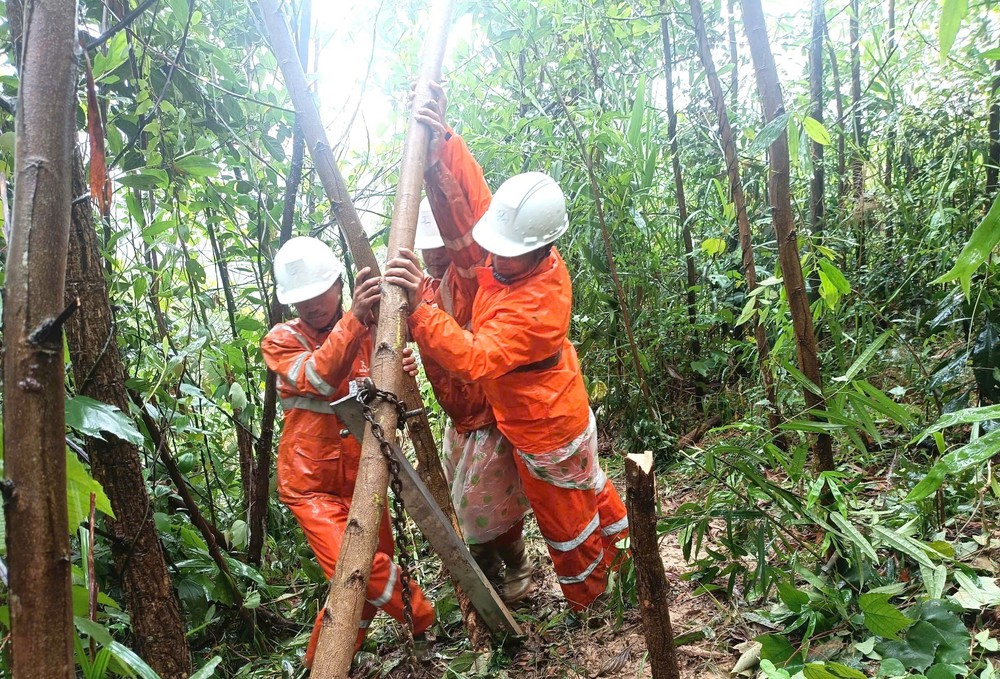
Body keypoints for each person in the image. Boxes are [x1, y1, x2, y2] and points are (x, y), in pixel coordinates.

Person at [385, 166, 629, 612]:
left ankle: (593, 602)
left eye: (505, 252)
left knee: (567, 521)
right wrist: (443, 142)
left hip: (546, 427)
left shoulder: (533, 306)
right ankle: (625, 560)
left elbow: (475, 359)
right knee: (587, 488)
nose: (492, 258)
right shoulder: (524, 266)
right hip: (553, 410)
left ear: (540, 249)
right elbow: (475, 200)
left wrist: (422, 312)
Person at [260, 236, 434, 667]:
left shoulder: (372, 328)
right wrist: (354, 320)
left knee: (365, 584)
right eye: (301, 299)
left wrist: (397, 367)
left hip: (364, 476)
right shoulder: (281, 340)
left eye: (319, 292)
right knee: (356, 568)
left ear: (338, 283)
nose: (313, 305)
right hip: (311, 486)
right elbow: (319, 377)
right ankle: (425, 617)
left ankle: (322, 663)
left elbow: (380, 388)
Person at [411, 87, 532, 603]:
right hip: (458, 417)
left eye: (440, 247)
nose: (437, 256)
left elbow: (462, 224)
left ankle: (513, 568)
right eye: (428, 251)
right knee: (476, 506)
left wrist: (438, 155)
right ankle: (504, 569)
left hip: (486, 413)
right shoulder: (424, 288)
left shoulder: (468, 274)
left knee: (483, 509)